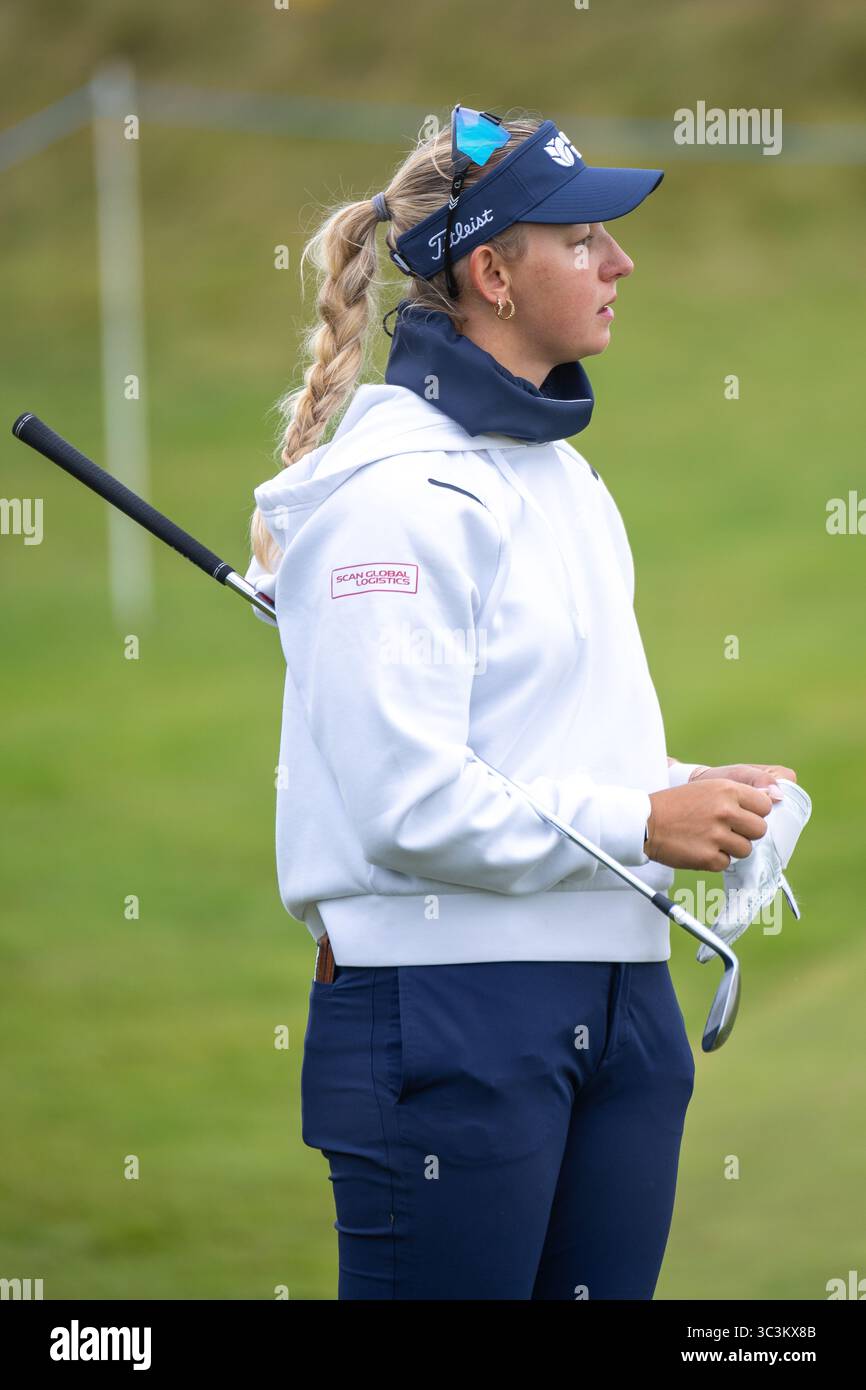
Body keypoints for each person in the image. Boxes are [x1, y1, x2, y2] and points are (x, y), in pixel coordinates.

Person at [244, 106, 797, 1300]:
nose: (620, 262)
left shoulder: (565, 478)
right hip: (449, 1012)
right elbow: (406, 804)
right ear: (491, 272)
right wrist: (643, 824)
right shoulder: (391, 499)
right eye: (583, 238)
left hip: (618, 998)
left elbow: (540, 750)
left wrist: (689, 793)